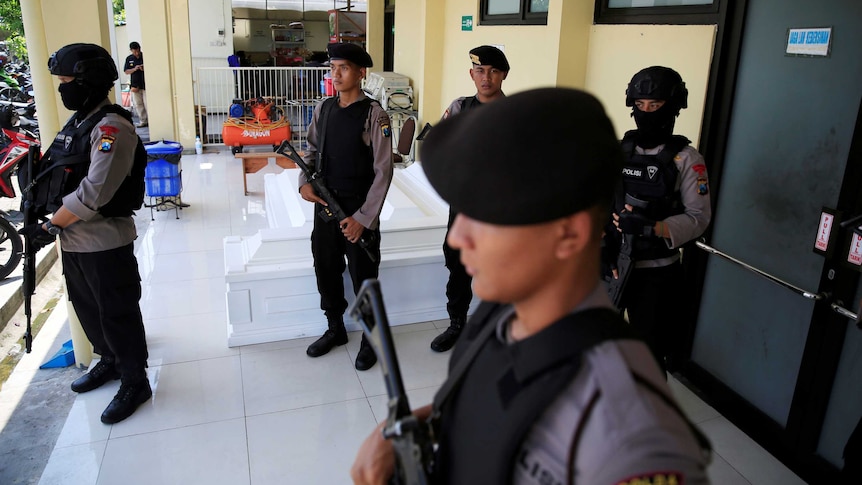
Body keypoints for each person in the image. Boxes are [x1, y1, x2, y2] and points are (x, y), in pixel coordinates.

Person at [351, 88, 711, 484]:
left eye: (488, 215)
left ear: (569, 235)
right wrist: (407, 431)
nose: (458, 238)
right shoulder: (502, 312)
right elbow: (482, 406)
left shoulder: (627, 437)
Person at [18, 43, 150, 424]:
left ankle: (134, 380)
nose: (63, 89)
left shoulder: (112, 127)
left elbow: (95, 191)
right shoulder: (80, 122)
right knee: (88, 308)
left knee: (116, 313)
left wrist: (52, 223)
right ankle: (108, 361)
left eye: (68, 81)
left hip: (103, 241)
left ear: (88, 81)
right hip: (74, 240)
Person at [608, 66, 712, 373]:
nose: (646, 112)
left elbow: (699, 218)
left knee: (649, 357)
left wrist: (652, 227)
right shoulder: (620, 150)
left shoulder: (687, 160)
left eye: (654, 106)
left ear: (673, 107)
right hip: (614, 264)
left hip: (656, 274)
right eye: (639, 106)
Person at [299, 43, 393, 371]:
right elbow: (310, 151)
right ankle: (335, 328)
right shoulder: (323, 109)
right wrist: (304, 182)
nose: (336, 75)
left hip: (358, 210)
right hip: (326, 205)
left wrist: (364, 219)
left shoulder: (374, 114)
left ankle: (371, 339)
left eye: (344, 68)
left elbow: (383, 170)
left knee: (364, 276)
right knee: (325, 267)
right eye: (333, 67)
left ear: (360, 72)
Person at [430, 45, 510, 353]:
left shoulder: (515, 112)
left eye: (493, 71)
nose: (486, 77)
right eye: (480, 71)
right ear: (471, 74)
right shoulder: (461, 107)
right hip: (464, 207)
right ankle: (457, 324)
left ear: (503, 75)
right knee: (458, 265)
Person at [123, 41, 147, 127]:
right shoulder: (129, 59)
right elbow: (126, 71)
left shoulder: (145, 56)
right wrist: (134, 69)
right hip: (135, 85)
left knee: (147, 103)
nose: (136, 53)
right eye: (134, 51)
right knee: (138, 104)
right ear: (131, 50)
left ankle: (151, 120)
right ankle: (143, 121)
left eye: (138, 51)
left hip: (145, 84)